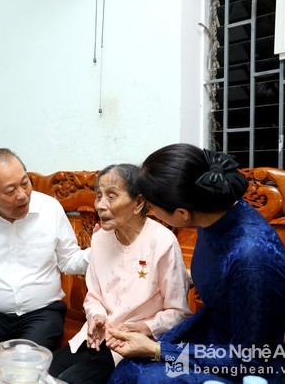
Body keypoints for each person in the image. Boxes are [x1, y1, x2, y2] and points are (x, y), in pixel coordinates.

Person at [106, 143, 285, 383]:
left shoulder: (251, 259)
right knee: (131, 367)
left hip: (266, 357)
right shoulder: (213, 211)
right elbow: (219, 275)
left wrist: (155, 350)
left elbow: (250, 356)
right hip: (222, 330)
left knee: (150, 377)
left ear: (181, 214)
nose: (151, 213)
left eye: (152, 208)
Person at [48, 164, 191, 383]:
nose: (100, 206)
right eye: (98, 196)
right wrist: (96, 316)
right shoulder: (99, 239)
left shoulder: (162, 242)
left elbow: (178, 311)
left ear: (139, 203)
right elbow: (94, 296)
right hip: (96, 335)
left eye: (111, 196)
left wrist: (145, 327)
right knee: (44, 371)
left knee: (70, 380)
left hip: (134, 344)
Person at [0, 148, 91, 351]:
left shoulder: (49, 208)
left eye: (25, 183)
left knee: (27, 366)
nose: (22, 195)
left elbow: (69, 260)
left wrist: (104, 251)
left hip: (41, 313)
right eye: (10, 191)